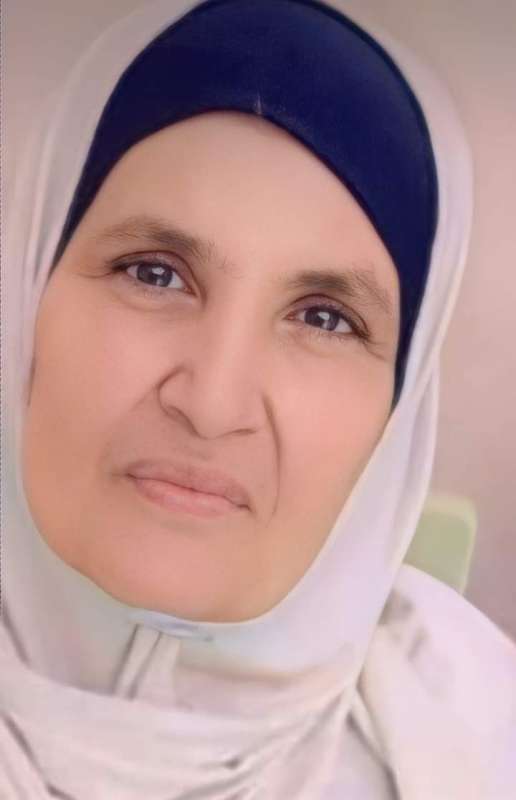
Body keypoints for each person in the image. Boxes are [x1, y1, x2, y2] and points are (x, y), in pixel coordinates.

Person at [1, 0, 515, 797]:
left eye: (324, 318)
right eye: (154, 273)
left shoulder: (479, 737)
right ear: (28, 292)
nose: (212, 403)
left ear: (399, 410)